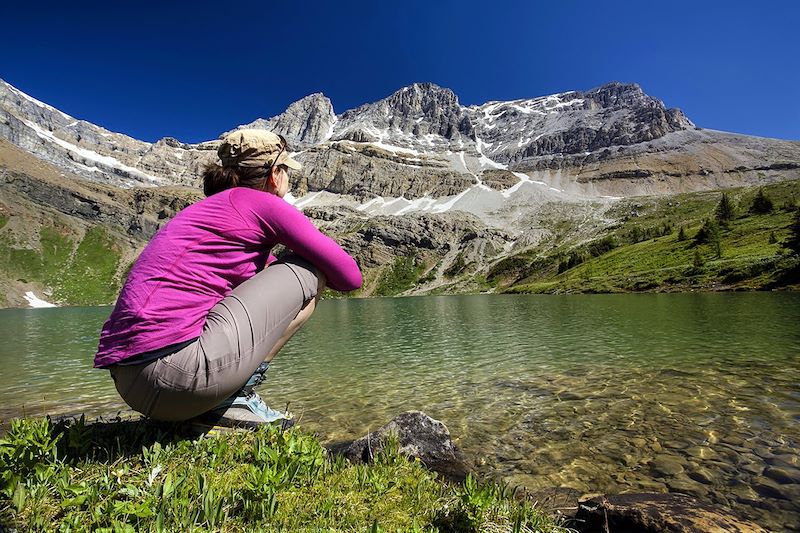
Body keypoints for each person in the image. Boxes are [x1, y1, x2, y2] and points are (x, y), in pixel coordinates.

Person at [94, 129, 362, 429]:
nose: (289, 177)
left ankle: (216, 402)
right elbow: (350, 277)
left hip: (131, 383)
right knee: (308, 269)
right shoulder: (263, 205)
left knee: (276, 270)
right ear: (275, 174)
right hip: (175, 379)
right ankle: (235, 398)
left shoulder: (206, 210)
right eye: (286, 169)